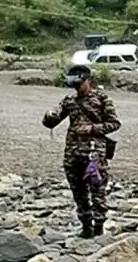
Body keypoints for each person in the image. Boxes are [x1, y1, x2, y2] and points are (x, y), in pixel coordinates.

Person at [42, 63, 120, 238]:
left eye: (80, 84)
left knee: (97, 191)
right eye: (75, 86)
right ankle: (86, 227)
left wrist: (92, 128)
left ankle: (99, 228)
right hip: (73, 154)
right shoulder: (69, 101)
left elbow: (114, 124)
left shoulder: (102, 99)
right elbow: (51, 123)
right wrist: (49, 116)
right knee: (79, 192)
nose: (78, 88)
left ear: (88, 81)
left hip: (94, 153)